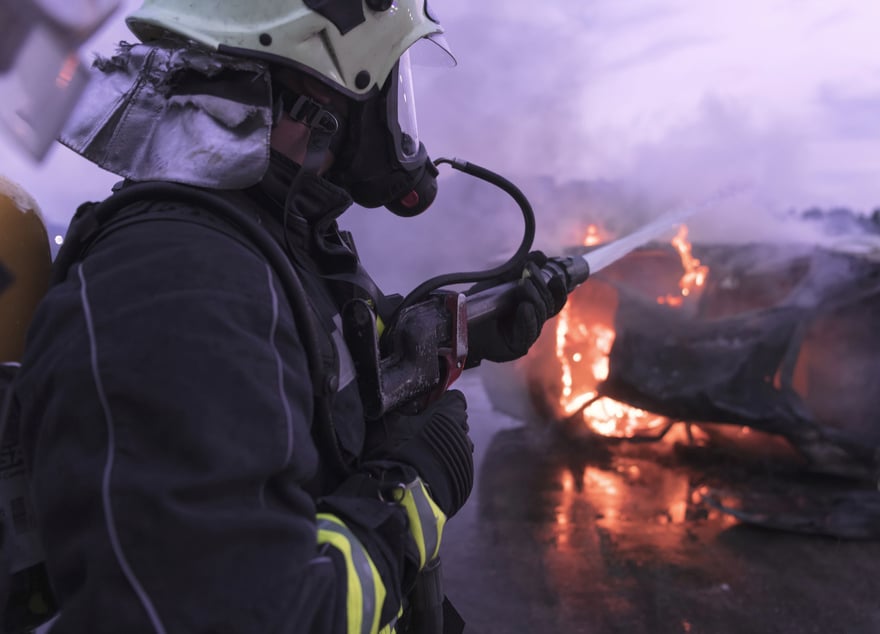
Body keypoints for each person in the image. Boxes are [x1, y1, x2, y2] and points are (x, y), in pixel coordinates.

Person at [11, 1, 567, 632]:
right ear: (321, 88)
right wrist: (417, 488)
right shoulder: (177, 288)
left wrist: (458, 332)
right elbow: (251, 613)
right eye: (389, 79)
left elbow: (322, 377)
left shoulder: (266, 237)